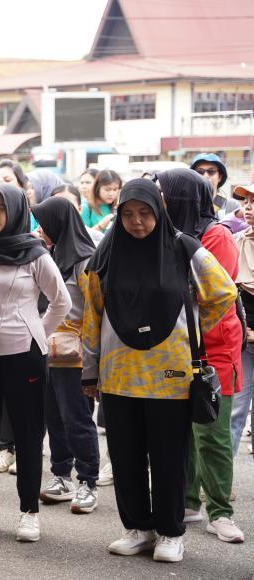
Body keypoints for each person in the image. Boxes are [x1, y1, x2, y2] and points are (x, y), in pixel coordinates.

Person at [83, 178, 236, 563]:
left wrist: (192, 330)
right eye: (128, 214)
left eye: (145, 213)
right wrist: (89, 371)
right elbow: (92, 316)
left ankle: (170, 532)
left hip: (171, 376)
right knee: (125, 456)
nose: (136, 221)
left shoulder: (184, 247)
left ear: (159, 211)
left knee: (169, 457)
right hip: (119, 375)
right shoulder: (106, 254)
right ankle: (138, 528)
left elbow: (223, 292)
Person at [0, 182, 71, 542]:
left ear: (16, 212)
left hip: (24, 354)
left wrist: (35, 331)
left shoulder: (35, 254)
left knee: (27, 433)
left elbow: (61, 301)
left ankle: (29, 512)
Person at [159, 168, 245, 543]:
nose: (158, 200)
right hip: (177, 346)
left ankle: (221, 512)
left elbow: (215, 295)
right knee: (184, 432)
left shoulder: (216, 235)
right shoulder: (165, 234)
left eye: (163, 194)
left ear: (180, 198)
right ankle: (189, 501)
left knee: (212, 432)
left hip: (215, 348)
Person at [30, 196, 101, 514]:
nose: (39, 230)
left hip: (76, 356)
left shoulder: (85, 261)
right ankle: (62, 475)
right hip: (49, 352)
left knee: (77, 418)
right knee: (54, 416)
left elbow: (95, 312)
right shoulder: (52, 255)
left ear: (59, 224)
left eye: (43, 224)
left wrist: (92, 362)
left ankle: (88, 481)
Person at [232, 183, 254, 461]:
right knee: (236, 410)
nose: (248, 207)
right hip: (243, 339)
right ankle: (220, 479)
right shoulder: (236, 241)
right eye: (245, 201)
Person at [191, 153, 241, 220]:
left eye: (211, 171)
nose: (205, 176)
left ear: (219, 177)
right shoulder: (188, 205)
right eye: (200, 172)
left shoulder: (232, 206)